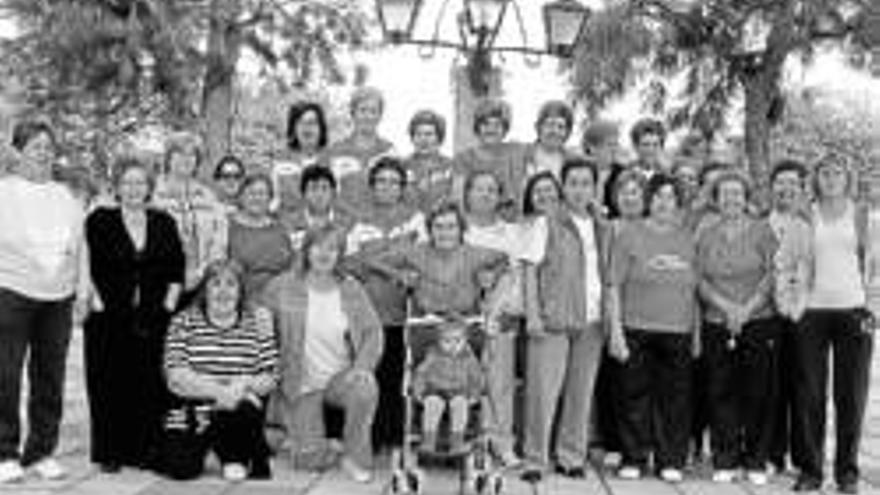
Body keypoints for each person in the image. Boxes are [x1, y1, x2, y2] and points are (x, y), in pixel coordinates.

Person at [83, 158, 185, 473]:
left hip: (153, 318)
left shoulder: (163, 221)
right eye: (127, 182)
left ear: (149, 188)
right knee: (108, 384)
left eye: (140, 182)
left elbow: (176, 270)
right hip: (108, 318)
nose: (133, 189)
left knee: (148, 384)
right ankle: (110, 452)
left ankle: (143, 450)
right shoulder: (100, 219)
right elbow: (88, 264)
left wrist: (168, 307)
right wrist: (97, 303)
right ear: (116, 187)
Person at [260, 226, 383, 483]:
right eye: (318, 246)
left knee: (365, 387)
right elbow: (260, 326)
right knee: (308, 463)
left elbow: (373, 332)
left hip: (341, 378)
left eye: (332, 248)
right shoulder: (281, 286)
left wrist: (363, 367)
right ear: (306, 251)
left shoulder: (351, 288)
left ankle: (354, 455)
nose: (324, 254)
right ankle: (313, 444)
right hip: (300, 383)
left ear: (340, 254)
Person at [0, 120, 86, 483]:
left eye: (48, 147)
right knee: (6, 374)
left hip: (58, 298)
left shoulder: (66, 195)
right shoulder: (3, 193)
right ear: (17, 151)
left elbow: (82, 248)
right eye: (35, 146)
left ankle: (41, 450)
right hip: (11, 293)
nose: (44, 153)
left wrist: (82, 292)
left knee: (49, 376)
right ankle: (5, 452)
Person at [791, 152, 874, 494]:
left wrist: (873, 309)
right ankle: (811, 471)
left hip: (854, 312)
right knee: (810, 394)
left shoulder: (863, 215)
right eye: (824, 172)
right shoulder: (804, 215)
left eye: (836, 172)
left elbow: (877, 265)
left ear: (847, 177)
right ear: (816, 179)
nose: (830, 178)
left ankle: (847, 473)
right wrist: (791, 305)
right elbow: (787, 262)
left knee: (851, 396)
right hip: (811, 313)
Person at [520, 158, 607, 482]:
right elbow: (529, 269)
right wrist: (532, 315)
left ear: (594, 187)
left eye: (586, 183)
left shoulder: (601, 223)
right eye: (573, 183)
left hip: (592, 320)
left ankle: (571, 456)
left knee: (580, 392)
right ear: (563, 187)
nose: (579, 189)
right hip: (553, 319)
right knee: (543, 393)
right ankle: (535, 459)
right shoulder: (548, 222)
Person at [607, 174, 698, 482]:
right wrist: (616, 332)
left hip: (677, 329)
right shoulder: (629, 235)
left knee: (674, 398)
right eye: (658, 196)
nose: (663, 202)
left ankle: (670, 459)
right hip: (636, 326)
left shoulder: (688, 237)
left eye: (670, 197)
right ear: (649, 200)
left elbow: (695, 289)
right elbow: (613, 286)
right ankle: (634, 457)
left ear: (677, 204)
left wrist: (696, 332)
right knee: (633, 395)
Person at [696, 171, 778, 485]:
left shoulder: (762, 230)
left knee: (757, 392)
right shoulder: (706, 234)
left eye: (737, 193)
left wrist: (746, 308)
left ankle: (756, 460)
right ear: (716, 199)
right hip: (718, 322)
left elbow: (773, 273)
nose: (732, 199)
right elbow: (699, 279)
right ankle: (724, 458)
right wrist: (727, 307)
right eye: (725, 193)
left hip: (757, 320)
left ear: (746, 198)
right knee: (720, 391)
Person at [161, 260, 278, 481]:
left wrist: (243, 384)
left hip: (237, 410)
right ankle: (211, 447)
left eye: (231, 284)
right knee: (180, 469)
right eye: (215, 284)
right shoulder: (183, 321)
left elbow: (270, 376)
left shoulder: (258, 323)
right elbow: (176, 376)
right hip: (193, 407)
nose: (223, 291)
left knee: (245, 408)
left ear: (241, 290)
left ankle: (233, 455)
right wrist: (220, 392)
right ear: (205, 289)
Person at [343, 157, 425, 449]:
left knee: (396, 377)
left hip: (402, 314)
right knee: (369, 376)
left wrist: (376, 259)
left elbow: (418, 260)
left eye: (394, 182)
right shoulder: (358, 220)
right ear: (372, 186)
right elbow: (353, 263)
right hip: (368, 313)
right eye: (381, 181)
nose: (387, 187)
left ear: (402, 188)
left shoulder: (415, 218)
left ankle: (394, 436)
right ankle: (369, 436)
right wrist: (392, 264)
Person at [462, 170, 527, 467]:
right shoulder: (457, 228)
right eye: (479, 188)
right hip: (460, 320)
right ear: (468, 194)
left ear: (499, 197)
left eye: (492, 189)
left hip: (500, 317)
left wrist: (501, 309)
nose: (486, 194)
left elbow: (516, 277)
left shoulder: (511, 232)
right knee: (461, 383)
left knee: (500, 384)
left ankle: (502, 443)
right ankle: (462, 441)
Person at [767, 159, 811, 473]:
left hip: (805, 315)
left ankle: (802, 455)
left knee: (803, 386)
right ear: (772, 188)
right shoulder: (761, 222)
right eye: (780, 182)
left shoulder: (812, 224)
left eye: (792, 183)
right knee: (771, 386)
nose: (786, 188)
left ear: (802, 188)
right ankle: (773, 453)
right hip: (768, 313)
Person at [153, 133, 228, 292]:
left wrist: (203, 272)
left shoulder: (208, 196)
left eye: (192, 154)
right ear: (168, 158)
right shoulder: (151, 195)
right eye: (179, 153)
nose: (186, 158)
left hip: (202, 282)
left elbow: (219, 240)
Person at [412, 321, 486, 454]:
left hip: (459, 391)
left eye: (458, 341)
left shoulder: (469, 358)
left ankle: (457, 443)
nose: (453, 345)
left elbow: (477, 377)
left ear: (465, 340)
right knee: (432, 404)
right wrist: (418, 390)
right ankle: (429, 441)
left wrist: (475, 394)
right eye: (447, 341)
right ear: (439, 342)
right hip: (435, 389)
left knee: (460, 405)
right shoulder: (433, 355)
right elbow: (421, 373)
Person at [453, 99, 528, 218]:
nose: (491, 129)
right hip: (476, 221)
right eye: (485, 124)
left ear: (505, 129)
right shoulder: (464, 158)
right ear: (477, 127)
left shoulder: (515, 151)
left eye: (497, 125)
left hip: (510, 222)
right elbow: (458, 196)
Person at [325, 87, 395, 215]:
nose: (367, 116)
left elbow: (398, 194)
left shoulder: (389, 151)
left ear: (380, 116)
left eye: (373, 111)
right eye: (362, 110)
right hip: (344, 226)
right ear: (353, 113)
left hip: (379, 225)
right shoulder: (335, 151)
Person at [227, 174, 294, 299]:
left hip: (278, 297)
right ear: (241, 197)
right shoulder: (228, 228)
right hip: (241, 299)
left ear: (269, 198)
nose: (257, 198)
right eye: (251, 193)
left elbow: (290, 268)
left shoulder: (280, 229)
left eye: (262, 193)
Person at [281, 165, 353, 253]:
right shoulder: (288, 225)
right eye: (313, 188)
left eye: (324, 188)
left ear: (333, 193)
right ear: (303, 194)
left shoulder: (348, 224)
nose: (319, 194)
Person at [273, 101, 329, 213]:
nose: (306, 128)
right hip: (287, 227)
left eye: (312, 123)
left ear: (321, 128)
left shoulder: (334, 161)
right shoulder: (279, 161)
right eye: (300, 123)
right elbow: (272, 202)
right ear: (293, 129)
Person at [404, 110, 454, 211]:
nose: (423, 139)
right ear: (412, 138)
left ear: (439, 137)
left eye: (429, 134)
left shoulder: (451, 167)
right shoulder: (402, 167)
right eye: (418, 134)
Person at [523, 101, 576, 180]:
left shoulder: (573, 161)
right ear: (539, 127)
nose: (555, 131)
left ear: (567, 132)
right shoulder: (522, 156)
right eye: (550, 124)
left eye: (561, 127)